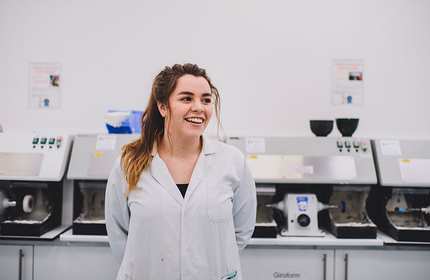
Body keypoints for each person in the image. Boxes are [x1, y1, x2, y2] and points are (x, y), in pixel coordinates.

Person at [105, 63, 257, 280]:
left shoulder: (232, 162)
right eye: (186, 98)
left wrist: (208, 262)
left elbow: (241, 232)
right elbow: (119, 235)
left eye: (205, 100)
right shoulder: (129, 162)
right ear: (163, 107)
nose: (199, 107)